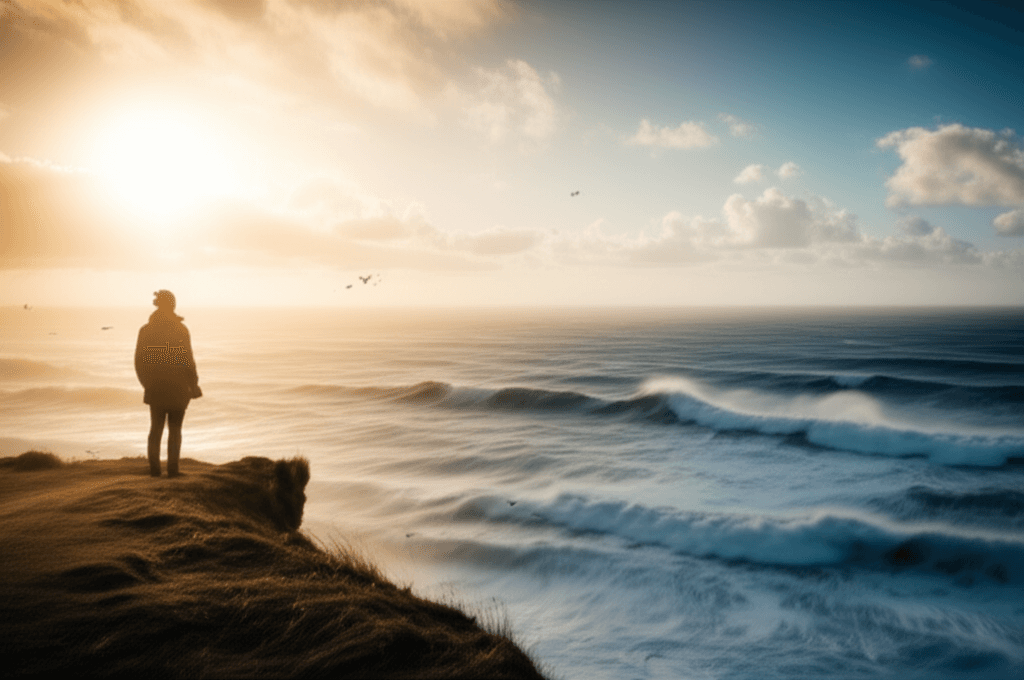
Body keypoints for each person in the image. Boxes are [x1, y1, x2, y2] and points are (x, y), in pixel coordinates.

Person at [134, 290, 202, 477]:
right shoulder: (181, 329)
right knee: (175, 429)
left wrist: (146, 383)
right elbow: (188, 359)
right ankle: (172, 470)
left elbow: (139, 361)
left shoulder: (146, 330)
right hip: (178, 387)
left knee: (156, 429)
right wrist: (194, 385)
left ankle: (155, 470)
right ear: (171, 305)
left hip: (156, 387)